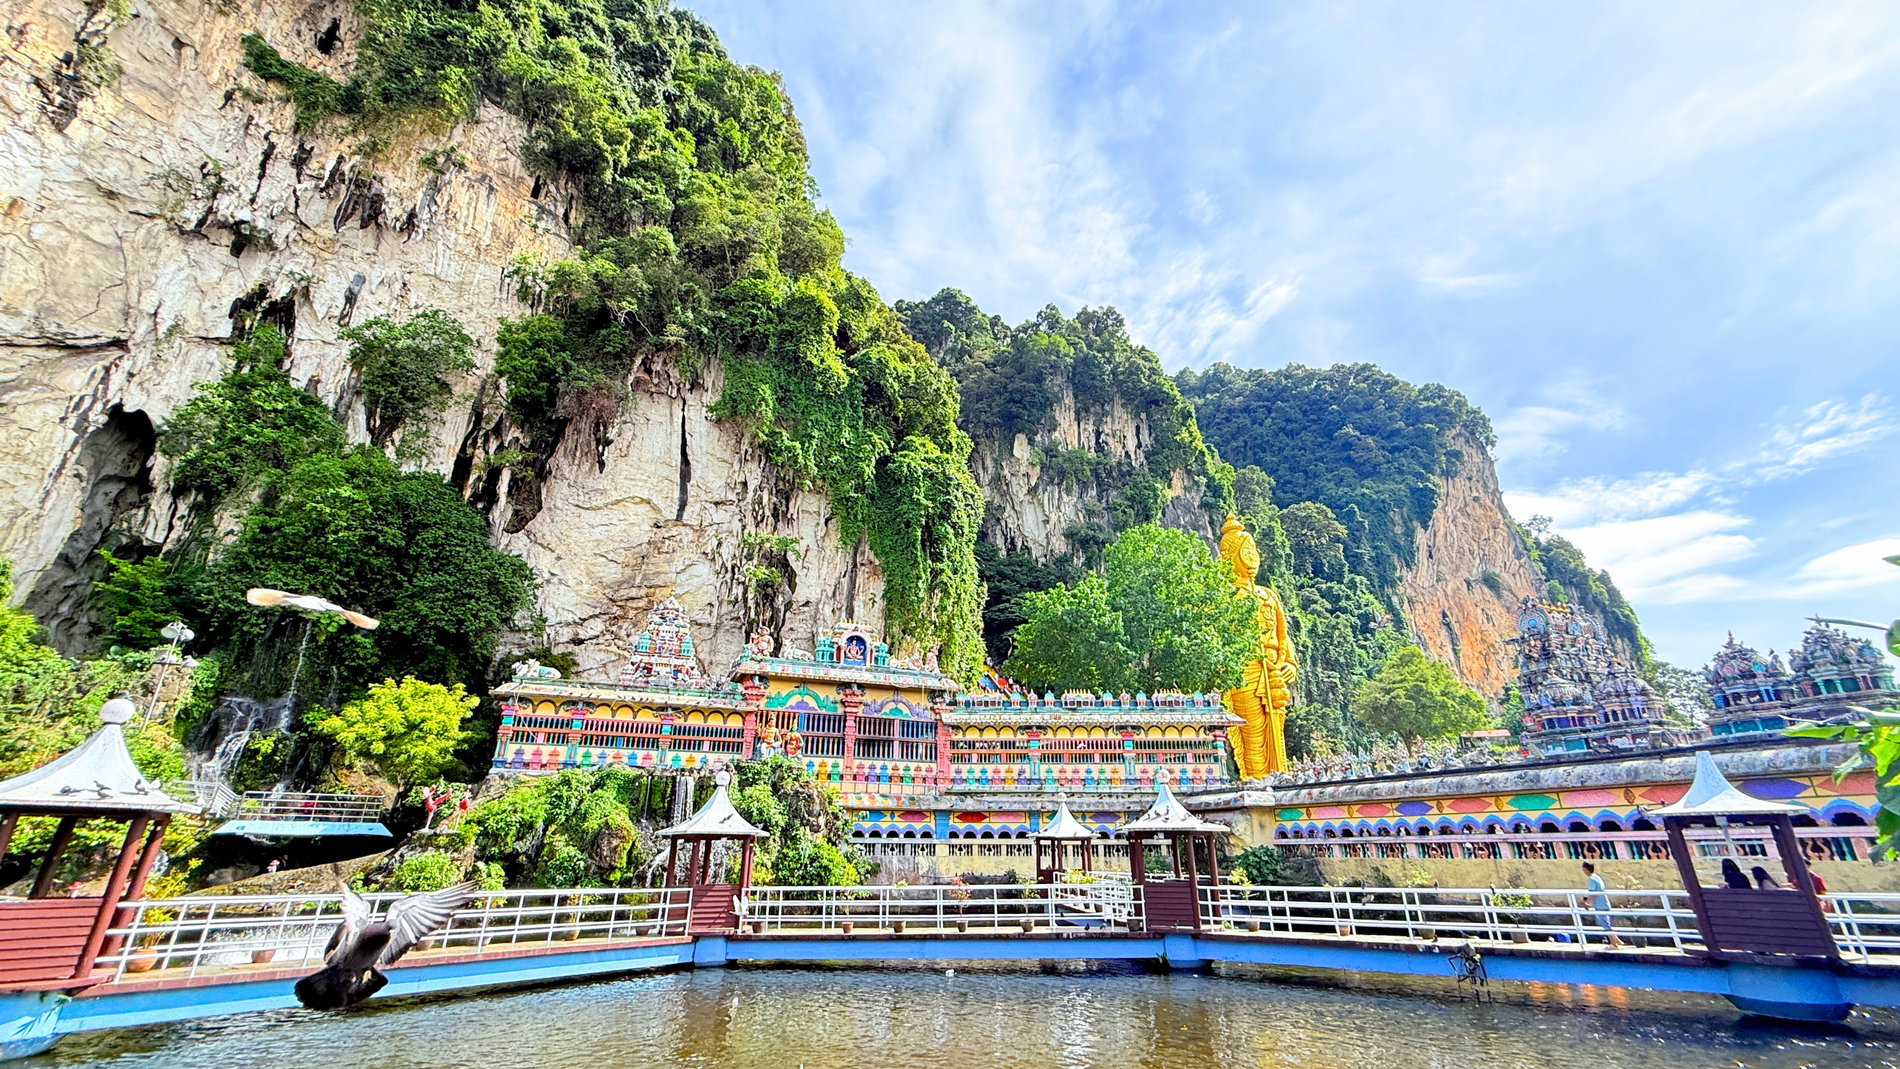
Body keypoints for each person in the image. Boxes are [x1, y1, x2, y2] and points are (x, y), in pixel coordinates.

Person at [1583, 861, 1622, 949]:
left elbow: (1593, 892)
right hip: (1604, 902)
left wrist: (1587, 902)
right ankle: (1617, 940)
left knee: (1605, 924)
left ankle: (1613, 944)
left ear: (1585, 869)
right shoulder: (1597, 877)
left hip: (1600, 905)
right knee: (1607, 923)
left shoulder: (1591, 879)